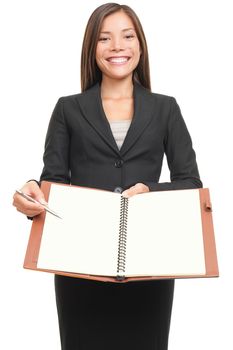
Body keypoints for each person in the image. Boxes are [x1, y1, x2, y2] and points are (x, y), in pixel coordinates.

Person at [12, 3, 203, 350]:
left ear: (140, 46)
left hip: (151, 263)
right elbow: (52, 181)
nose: (117, 46)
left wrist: (151, 191)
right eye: (105, 38)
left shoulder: (166, 108)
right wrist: (31, 194)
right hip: (78, 264)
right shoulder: (68, 109)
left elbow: (191, 185)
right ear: (92, 48)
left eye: (127, 36)